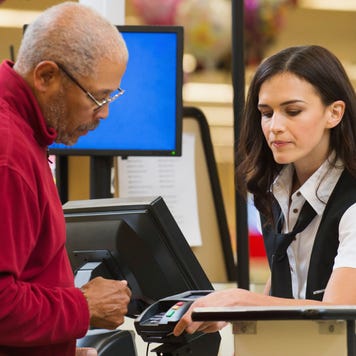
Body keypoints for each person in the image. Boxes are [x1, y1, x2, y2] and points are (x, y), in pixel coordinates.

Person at [173, 44, 356, 336]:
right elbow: (283, 285)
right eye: (266, 113)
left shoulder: (352, 205)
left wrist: (240, 301)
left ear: (334, 113)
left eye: (293, 111)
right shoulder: (275, 193)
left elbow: (340, 312)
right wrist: (239, 317)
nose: (275, 127)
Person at [0, 2, 132, 355]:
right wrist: (82, 307)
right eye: (97, 97)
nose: (103, 113)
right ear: (45, 77)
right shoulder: (9, 155)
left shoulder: (24, 135)